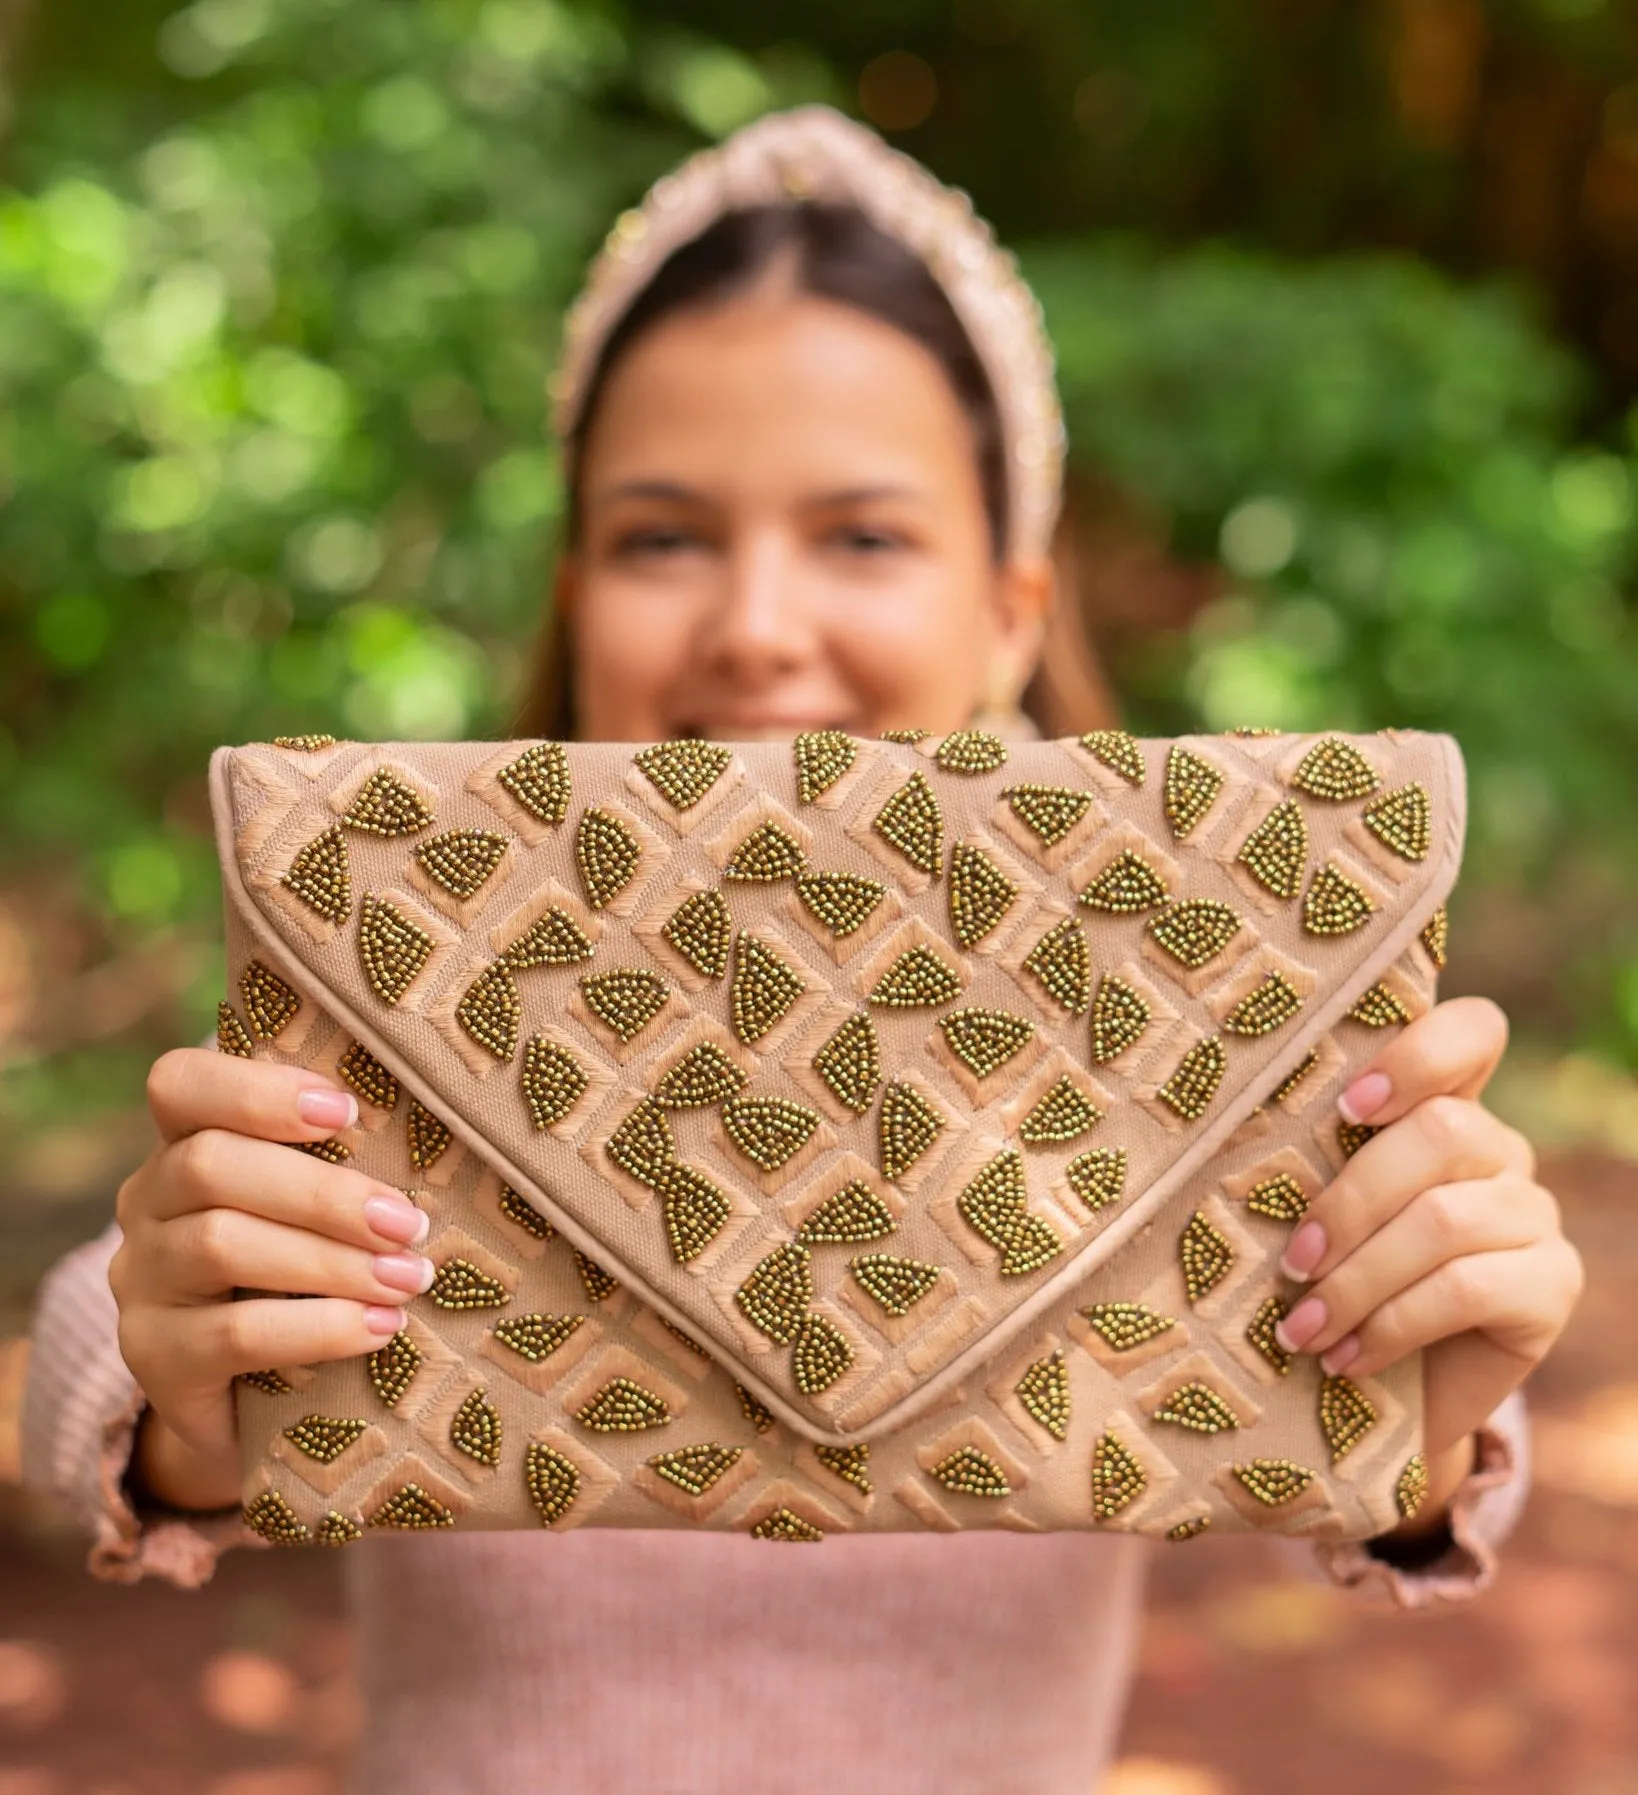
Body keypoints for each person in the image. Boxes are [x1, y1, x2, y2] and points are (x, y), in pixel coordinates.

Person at [23, 106, 1581, 1792]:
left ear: (1007, 612)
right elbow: (97, 1348)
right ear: (573, 593)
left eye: (860, 536)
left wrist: (1413, 1388)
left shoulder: (1165, 1022)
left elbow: (1323, 1430)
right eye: (661, 536)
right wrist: (185, 1382)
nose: (756, 626)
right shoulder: (420, 978)